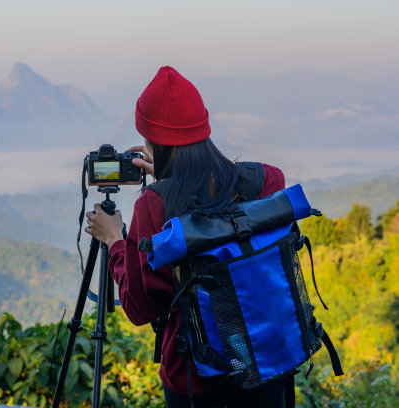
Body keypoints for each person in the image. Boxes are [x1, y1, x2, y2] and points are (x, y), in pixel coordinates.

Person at [84, 66, 292, 408]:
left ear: (153, 142)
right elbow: (218, 200)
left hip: (195, 377)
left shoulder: (154, 207)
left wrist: (115, 241)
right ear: (203, 130)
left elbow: (138, 307)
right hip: (265, 360)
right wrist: (172, 175)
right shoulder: (265, 181)